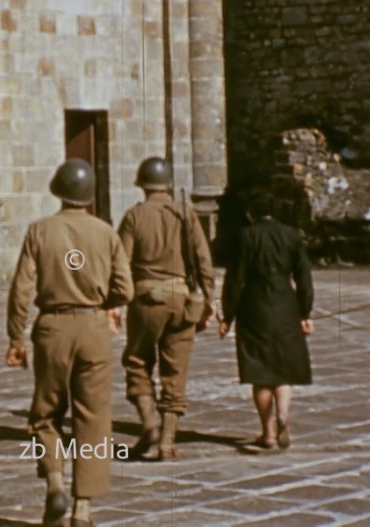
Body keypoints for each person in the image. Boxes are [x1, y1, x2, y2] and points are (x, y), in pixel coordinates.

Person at [6, 159, 134, 527]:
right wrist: (105, 305)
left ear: (57, 191)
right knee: (92, 418)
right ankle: (83, 509)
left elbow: (21, 290)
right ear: (90, 195)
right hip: (93, 327)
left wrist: (16, 336)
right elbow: (125, 287)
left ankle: (54, 483)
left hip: (52, 328)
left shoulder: (39, 231)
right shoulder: (105, 232)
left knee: (45, 412)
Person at [117, 157, 215, 461]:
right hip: (183, 301)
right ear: (168, 184)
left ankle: (149, 424)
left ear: (143, 185)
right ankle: (168, 442)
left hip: (146, 299)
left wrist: (116, 299)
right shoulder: (186, 213)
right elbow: (203, 260)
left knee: (137, 362)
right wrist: (209, 300)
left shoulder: (134, 216)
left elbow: (120, 262)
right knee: (176, 371)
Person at [219, 188, 314, 450]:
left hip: (255, 305)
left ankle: (268, 433)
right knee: (283, 367)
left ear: (251, 213)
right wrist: (305, 312)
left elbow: (235, 279)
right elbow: (304, 278)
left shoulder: (245, 236)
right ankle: (284, 413)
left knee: (260, 370)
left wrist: (227, 315)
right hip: (285, 303)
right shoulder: (291, 235)